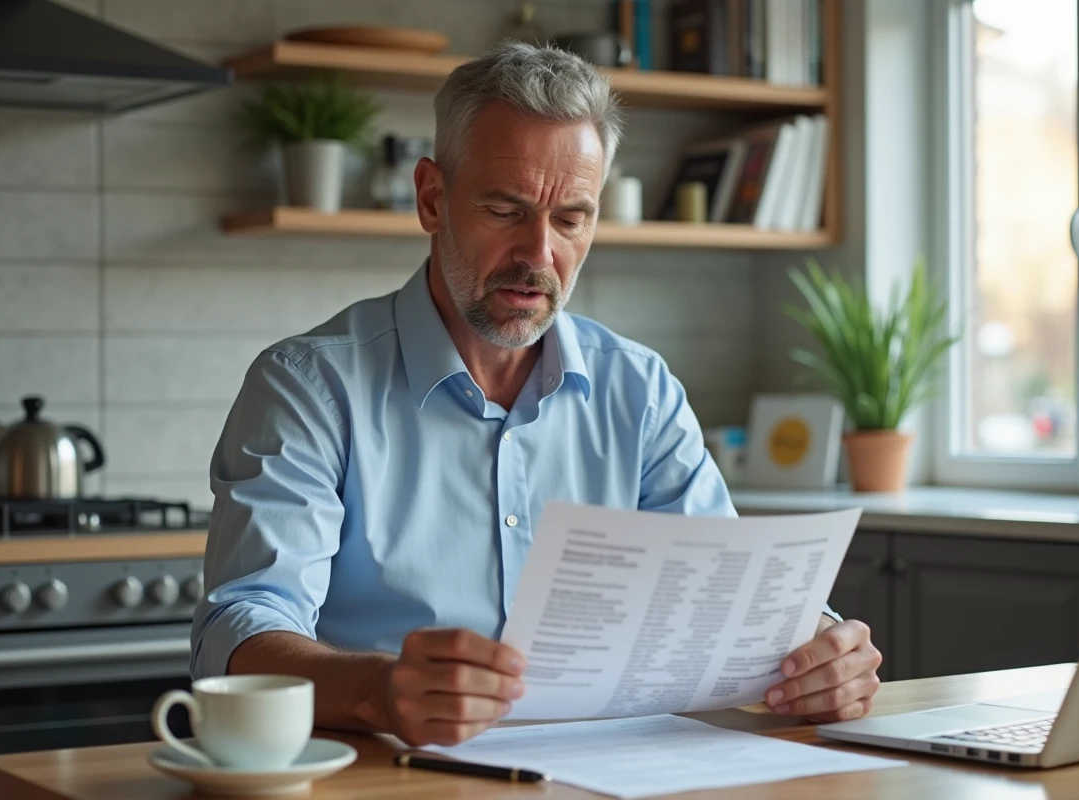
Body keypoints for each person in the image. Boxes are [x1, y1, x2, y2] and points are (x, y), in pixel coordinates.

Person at [192, 42, 881, 748]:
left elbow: (730, 597)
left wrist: (822, 652)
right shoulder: (308, 388)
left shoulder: (639, 391)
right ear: (433, 198)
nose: (538, 254)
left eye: (571, 219)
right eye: (504, 209)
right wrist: (378, 693)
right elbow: (240, 632)